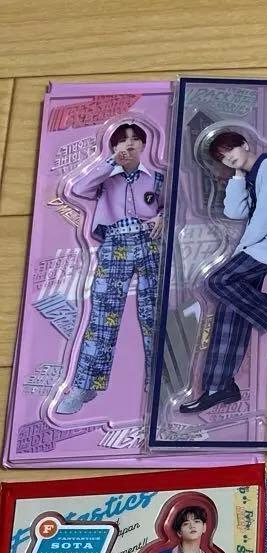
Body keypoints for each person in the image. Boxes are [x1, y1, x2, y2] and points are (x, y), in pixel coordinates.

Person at [179, 130, 267, 414]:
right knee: (230, 308)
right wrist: (236, 178)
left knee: (218, 280)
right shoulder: (249, 176)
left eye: (230, 150)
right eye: (222, 158)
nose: (228, 158)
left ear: (245, 144)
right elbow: (234, 213)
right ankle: (218, 387)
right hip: (261, 246)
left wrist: (240, 250)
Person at [56, 122, 164, 415]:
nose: (129, 144)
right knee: (103, 314)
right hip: (115, 243)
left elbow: (176, 205)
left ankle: (159, 383)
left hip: (150, 242)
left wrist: (162, 216)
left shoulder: (157, 178)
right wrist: (110, 162)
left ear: (144, 145)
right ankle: (84, 386)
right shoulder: (106, 178)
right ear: (113, 145)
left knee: (154, 314)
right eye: (122, 140)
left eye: (135, 139)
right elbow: (77, 189)